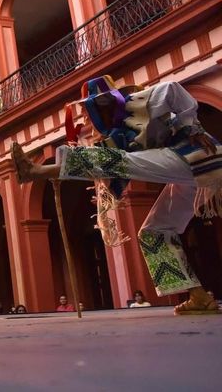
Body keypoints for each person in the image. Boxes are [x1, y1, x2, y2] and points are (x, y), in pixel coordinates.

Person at [12, 77, 221, 315]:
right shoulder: (120, 135)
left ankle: (35, 172)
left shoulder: (139, 101)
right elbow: (103, 165)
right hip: (191, 173)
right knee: (153, 232)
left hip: (198, 157)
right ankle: (199, 296)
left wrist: (192, 128)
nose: (91, 114)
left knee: (119, 162)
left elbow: (173, 89)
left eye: (94, 106)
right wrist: (63, 173)